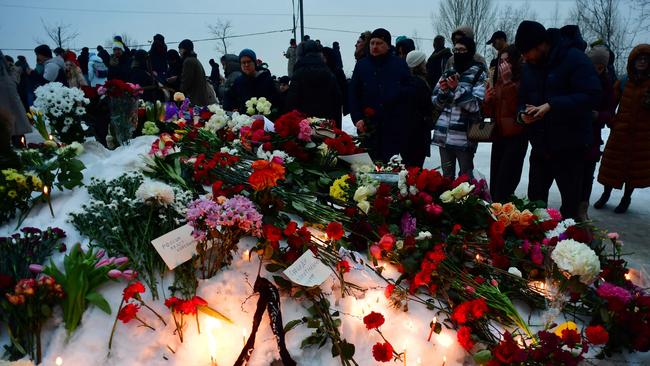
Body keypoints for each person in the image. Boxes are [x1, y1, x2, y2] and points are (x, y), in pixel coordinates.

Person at [515, 20, 602, 219]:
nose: (523, 57)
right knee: (534, 206)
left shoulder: (574, 58)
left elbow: (592, 95)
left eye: (526, 52)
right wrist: (522, 115)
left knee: (570, 209)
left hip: (570, 147)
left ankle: (570, 247)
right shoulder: (530, 66)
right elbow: (522, 100)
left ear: (540, 46)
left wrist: (552, 105)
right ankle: (535, 248)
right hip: (540, 147)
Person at [594, 44, 650, 213]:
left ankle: (626, 198)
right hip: (621, 133)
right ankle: (606, 194)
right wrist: (613, 123)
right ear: (632, 61)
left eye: (645, 59)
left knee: (633, 170)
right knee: (612, 166)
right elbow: (611, 104)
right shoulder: (624, 81)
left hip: (642, 136)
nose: (641, 62)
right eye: (638, 59)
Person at [349, 28, 414, 162]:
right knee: (367, 166)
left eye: (379, 43)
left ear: (387, 45)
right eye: (372, 43)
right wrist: (357, 118)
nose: (374, 47)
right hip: (368, 125)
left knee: (390, 165)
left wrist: (396, 94)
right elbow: (353, 94)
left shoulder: (399, 64)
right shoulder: (362, 65)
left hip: (392, 126)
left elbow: (410, 91)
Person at [432, 36, 486, 179]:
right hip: (443, 136)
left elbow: (476, 106)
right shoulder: (448, 71)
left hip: (465, 137)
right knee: (446, 179)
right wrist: (443, 91)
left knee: (465, 181)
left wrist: (457, 88)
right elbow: (435, 103)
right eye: (455, 49)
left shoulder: (479, 73)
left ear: (470, 51)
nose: (458, 53)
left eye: (462, 50)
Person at [575, 46, 616, 219]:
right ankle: (569, 207)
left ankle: (582, 209)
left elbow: (609, 113)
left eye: (600, 66)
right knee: (572, 175)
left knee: (586, 176)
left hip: (592, 138)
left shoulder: (607, 85)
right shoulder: (578, 78)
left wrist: (597, 115)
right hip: (574, 135)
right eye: (594, 65)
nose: (597, 69)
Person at [483, 45, 527, 202]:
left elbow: (518, 108)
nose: (503, 65)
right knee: (495, 180)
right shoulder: (498, 81)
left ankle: (504, 214)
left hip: (516, 136)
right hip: (499, 135)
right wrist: (487, 101)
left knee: (506, 182)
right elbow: (490, 113)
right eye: (501, 61)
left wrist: (508, 82)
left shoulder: (522, 79)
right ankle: (496, 212)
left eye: (507, 61)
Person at [287, 41, 342, 127]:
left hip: (303, 127)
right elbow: (337, 102)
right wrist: (338, 128)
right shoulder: (328, 73)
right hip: (325, 127)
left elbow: (291, 102)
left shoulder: (298, 73)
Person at [403, 50, 434, 168]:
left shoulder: (408, 81)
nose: (425, 65)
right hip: (417, 133)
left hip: (410, 132)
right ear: (418, 65)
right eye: (423, 62)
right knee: (415, 169)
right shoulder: (419, 84)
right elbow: (426, 106)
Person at [0, 50, 31, 146]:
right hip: (9, 94)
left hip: (7, 95)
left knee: (11, 127)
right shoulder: (9, 74)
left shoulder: (9, 73)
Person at [178, 39, 217, 106]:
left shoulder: (188, 61)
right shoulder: (195, 60)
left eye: (180, 49)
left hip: (194, 98)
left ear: (185, 49)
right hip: (201, 97)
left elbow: (186, 80)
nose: (179, 52)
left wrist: (179, 92)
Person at [323, 46, 349, 119]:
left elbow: (344, 89)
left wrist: (345, 107)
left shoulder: (337, 71)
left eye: (323, 57)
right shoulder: (320, 70)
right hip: (325, 106)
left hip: (335, 105)